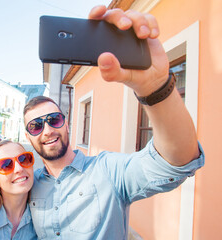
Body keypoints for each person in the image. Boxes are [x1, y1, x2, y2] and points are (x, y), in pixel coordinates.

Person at [23, 5, 205, 240]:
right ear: (28, 136)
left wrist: (156, 88)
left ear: (67, 124)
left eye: (54, 119)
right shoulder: (28, 186)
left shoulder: (108, 171)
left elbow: (176, 162)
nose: (47, 130)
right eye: (36, 125)